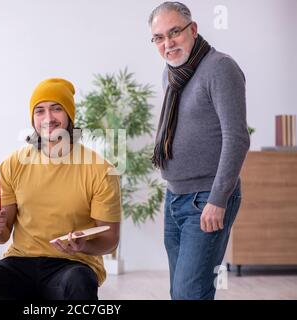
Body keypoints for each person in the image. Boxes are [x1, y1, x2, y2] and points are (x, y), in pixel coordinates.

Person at [0, 78, 122, 300]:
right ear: (33, 119)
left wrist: (83, 246)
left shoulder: (100, 170)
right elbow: (1, 238)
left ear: (70, 115)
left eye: (56, 109)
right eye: (40, 111)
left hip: (72, 264)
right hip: (21, 261)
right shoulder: (14, 163)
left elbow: (110, 240)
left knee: (79, 282)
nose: (48, 118)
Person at [148, 2, 250, 299]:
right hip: (175, 196)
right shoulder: (171, 75)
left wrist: (218, 199)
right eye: (159, 37)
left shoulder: (220, 68)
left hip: (206, 198)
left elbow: (237, 138)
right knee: (181, 292)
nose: (168, 43)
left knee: (189, 293)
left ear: (192, 30)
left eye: (175, 32)